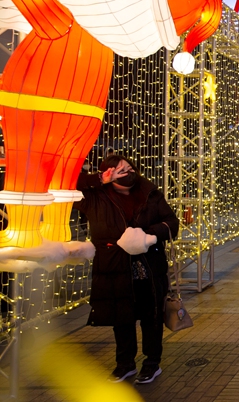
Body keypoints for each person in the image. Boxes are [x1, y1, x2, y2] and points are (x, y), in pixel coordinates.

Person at [76, 154, 179, 384]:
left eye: (130, 168)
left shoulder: (149, 193)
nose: (128, 172)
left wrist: (149, 236)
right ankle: (125, 364)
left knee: (151, 317)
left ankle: (152, 363)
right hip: (114, 267)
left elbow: (172, 223)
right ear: (107, 174)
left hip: (148, 268)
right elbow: (63, 183)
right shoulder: (95, 196)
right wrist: (96, 179)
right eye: (120, 170)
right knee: (121, 318)